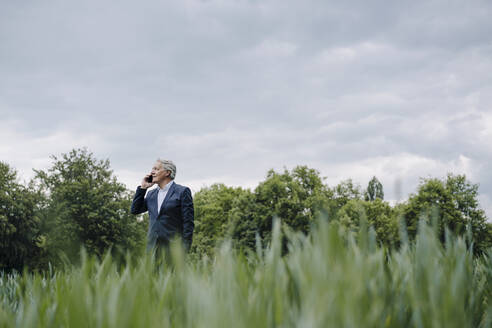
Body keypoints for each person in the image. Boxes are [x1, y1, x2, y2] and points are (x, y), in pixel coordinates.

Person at [131, 159, 194, 255]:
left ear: (167, 172)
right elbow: (135, 210)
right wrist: (143, 188)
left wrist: (184, 249)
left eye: (156, 169)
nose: (152, 172)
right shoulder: (151, 194)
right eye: (152, 169)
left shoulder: (182, 192)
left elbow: (188, 223)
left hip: (173, 250)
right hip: (152, 250)